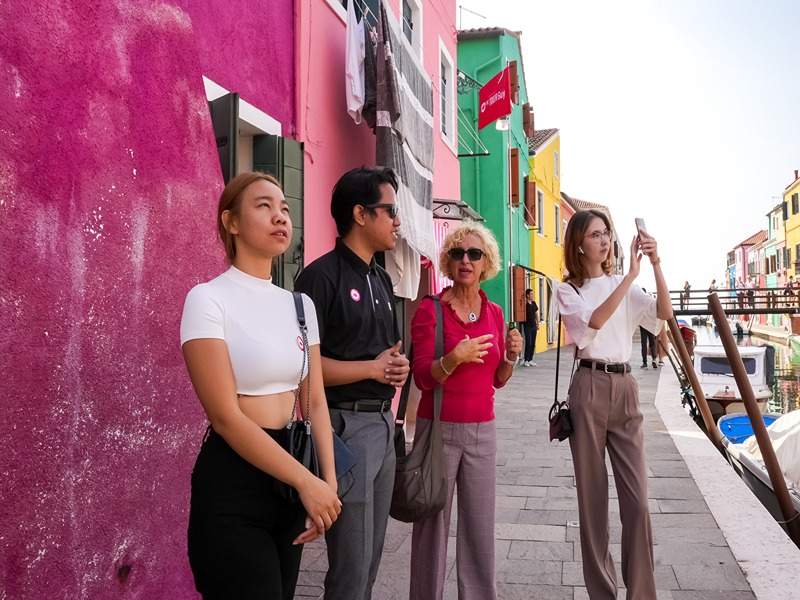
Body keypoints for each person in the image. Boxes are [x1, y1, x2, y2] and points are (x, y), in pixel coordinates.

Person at [181, 172, 341, 599]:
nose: (280, 216)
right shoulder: (207, 299)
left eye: (284, 208)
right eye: (264, 206)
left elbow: (317, 403)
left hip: (290, 479)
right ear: (231, 223)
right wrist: (308, 484)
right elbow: (225, 416)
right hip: (234, 482)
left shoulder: (299, 305)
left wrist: (327, 484)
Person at [294, 166, 410, 600]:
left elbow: (385, 355)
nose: (397, 221)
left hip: (382, 426)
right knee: (350, 566)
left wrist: (396, 368)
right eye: (390, 210)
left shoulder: (381, 279)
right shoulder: (318, 279)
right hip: (344, 428)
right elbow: (303, 368)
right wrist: (372, 370)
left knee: (372, 558)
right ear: (361, 214)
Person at [556, 209, 672, 600]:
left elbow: (663, 317)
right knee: (593, 502)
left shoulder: (625, 284)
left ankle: (641, 593)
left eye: (607, 233)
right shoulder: (568, 290)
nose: (604, 240)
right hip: (588, 387)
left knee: (638, 501)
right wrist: (628, 279)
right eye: (595, 235)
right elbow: (591, 325)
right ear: (579, 244)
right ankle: (602, 594)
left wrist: (655, 265)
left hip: (625, 389)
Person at [409, 221, 523, 600]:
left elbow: (497, 380)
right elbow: (424, 377)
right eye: (458, 253)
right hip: (438, 428)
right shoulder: (432, 310)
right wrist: (453, 359)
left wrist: (509, 358)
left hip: (482, 431)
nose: (465, 260)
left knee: (479, 529)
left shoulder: (494, 313)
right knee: (431, 527)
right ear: (448, 261)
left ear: (486, 262)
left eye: (474, 254)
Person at [522, 288, 539, 366]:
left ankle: (530, 359)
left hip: (533, 326)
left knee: (533, 343)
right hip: (527, 326)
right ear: (527, 295)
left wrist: (537, 324)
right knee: (528, 342)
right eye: (531, 294)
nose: (532, 295)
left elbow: (536, 314)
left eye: (533, 294)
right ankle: (526, 360)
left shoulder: (534, 303)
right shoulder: (525, 305)